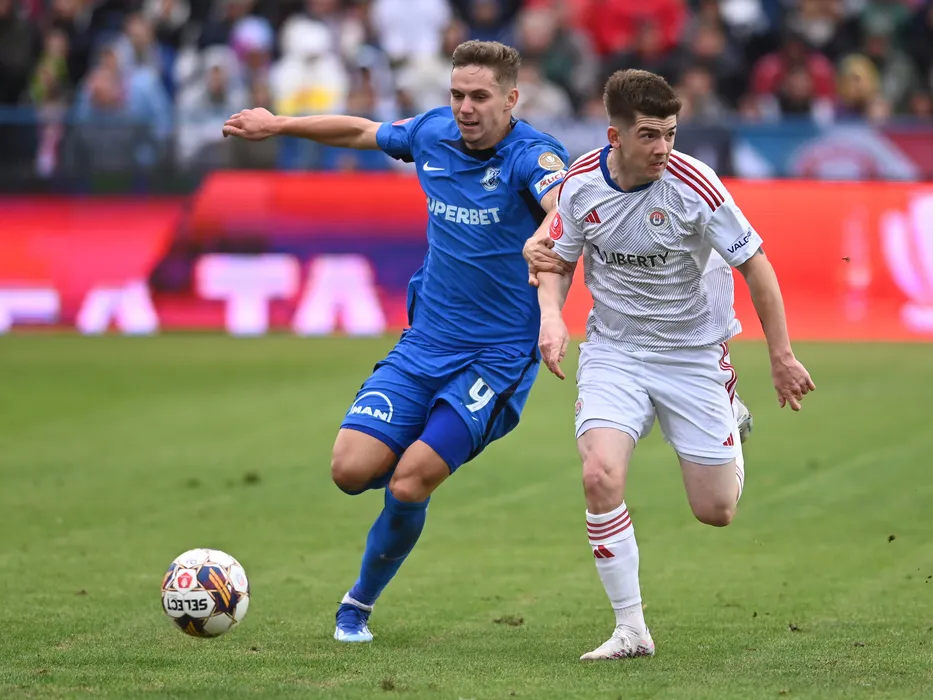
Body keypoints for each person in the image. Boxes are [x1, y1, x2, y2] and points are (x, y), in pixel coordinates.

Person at [222, 41, 571, 644]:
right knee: (349, 470)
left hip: (495, 359)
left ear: (511, 99)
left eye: (479, 96)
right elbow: (362, 131)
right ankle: (414, 463)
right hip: (425, 343)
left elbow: (564, 211)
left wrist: (549, 282)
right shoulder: (432, 133)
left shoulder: (532, 157)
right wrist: (277, 124)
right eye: (457, 94)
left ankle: (356, 605)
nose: (465, 107)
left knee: (409, 482)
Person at [526, 69, 815, 661]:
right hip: (614, 351)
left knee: (716, 511)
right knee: (599, 476)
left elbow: (756, 266)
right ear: (615, 136)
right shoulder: (580, 185)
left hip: (692, 354)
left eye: (671, 134)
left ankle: (730, 412)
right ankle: (631, 629)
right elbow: (555, 260)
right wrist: (551, 318)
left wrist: (781, 356)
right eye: (650, 135)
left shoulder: (696, 187)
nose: (663, 147)